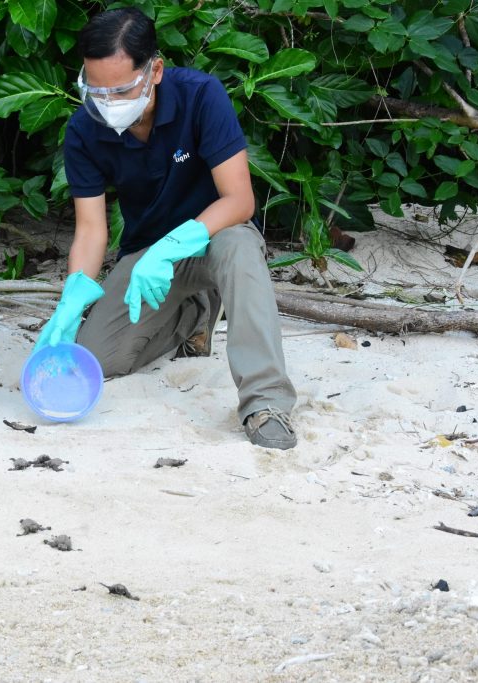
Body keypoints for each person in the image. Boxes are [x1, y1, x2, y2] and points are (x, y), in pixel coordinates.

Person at [34, 7, 297, 449]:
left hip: (214, 238)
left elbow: (239, 200)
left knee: (240, 248)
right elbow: (92, 228)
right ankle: (194, 314)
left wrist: (178, 243)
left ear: (154, 70)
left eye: (120, 90)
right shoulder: (83, 129)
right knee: (99, 358)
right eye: (95, 90)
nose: (107, 102)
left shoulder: (201, 96)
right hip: (145, 258)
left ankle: (265, 401)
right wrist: (73, 294)